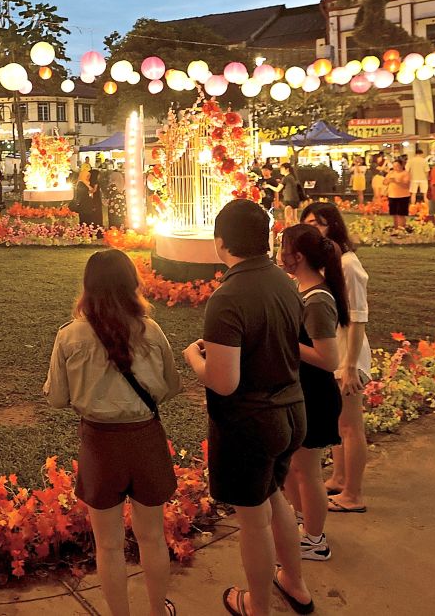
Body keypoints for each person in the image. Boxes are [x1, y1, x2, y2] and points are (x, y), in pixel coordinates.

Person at [182, 199, 311, 616]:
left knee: (254, 519)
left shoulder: (228, 296)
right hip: (292, 411)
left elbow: (224, 381)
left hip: (251, 424)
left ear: (221, 243)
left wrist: (193, 359)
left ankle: (257, 607)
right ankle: (295, 584)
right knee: (277, 501)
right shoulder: (286, 283)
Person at [44, 249, 181, 616]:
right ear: (131, 284)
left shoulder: (70, 337)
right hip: (145, 437)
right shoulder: (150, 331)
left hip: (100, 443)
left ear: (88, 288)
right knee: (152, 536)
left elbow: (57, 398)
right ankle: (157, 610)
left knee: (108, 545)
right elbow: (170, 386)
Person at [278, 224, 348, 563]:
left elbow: (329, 358)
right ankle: (304, 525)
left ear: (298, 256)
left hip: (315, 397)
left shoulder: (318, 300)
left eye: (283, 247)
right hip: (302, 393)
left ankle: (316, 541)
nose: (279, 254)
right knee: (295, 469)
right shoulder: (303, 291)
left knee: (307, 472)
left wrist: (285, 343)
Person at [301, 202, 371, 515]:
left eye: (320, 223)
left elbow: (358, 318)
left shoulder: (348, 264)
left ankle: (353, 494)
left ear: (334, 226)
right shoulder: (324, 263)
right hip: (334, 354)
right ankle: (340, 478)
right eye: (308, 224)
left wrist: (351, 366)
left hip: (348, 355)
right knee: (339, 424)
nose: (314, 229)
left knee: (351, 427)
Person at [384, 159, 411, 231]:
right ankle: (396, 228)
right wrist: (387, 180)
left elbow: (406, 184)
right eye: (394, 166)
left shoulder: (405, 173)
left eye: (397, 166)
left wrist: (396, 181)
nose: (396, 167)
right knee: (394, 213)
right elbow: (385, 182)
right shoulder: (391, 173)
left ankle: (401, 228)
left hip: (403, 196)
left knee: (401, 214)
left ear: (402, 166)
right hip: (392, 195)